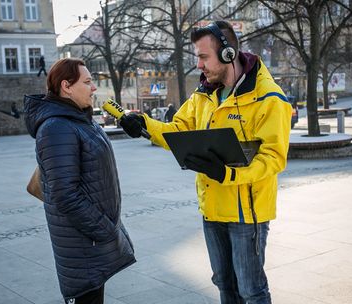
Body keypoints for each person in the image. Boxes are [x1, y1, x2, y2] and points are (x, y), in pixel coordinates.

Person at [120, 21, 292, 304]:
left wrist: (228, 174)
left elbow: (273, 158)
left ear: (227, 54)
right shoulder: (203, 95)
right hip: (212, 209)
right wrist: (144, 125)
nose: (198, 65)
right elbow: (177, 131)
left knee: (251, 289)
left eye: (203, 57)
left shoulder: (268, 98)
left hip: (246, 214)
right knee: (224, 283)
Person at [24, 58, 135, 304]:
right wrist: (104, 228)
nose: (93, 88)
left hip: (91, 240)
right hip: (83, 243)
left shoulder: (79, 119)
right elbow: (65, 194)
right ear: (66, 86)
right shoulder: (56, 127)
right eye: (87, 82)